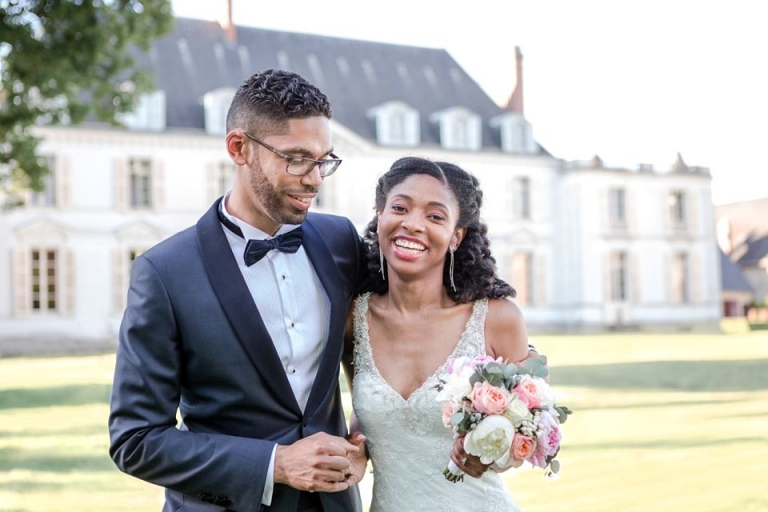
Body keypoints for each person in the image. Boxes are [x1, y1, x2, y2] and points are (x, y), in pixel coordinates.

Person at [108, 69, 369, 512]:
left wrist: (362, 438)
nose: (315, 179)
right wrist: (276, 464)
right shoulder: (164, 272)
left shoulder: (341, 241)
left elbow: (373, 359)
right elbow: (136, 440)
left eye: (324, 159)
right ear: (239, 148)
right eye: (297, 158)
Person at [343, 156, 530, 511]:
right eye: (400, 207)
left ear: (456, 236)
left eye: (435, 216)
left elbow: (528, 435)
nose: (413, 224)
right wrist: (358, 445)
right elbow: (367, 410)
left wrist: (496, 454)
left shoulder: (498, 319)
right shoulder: (353, 318)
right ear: (380, 215)